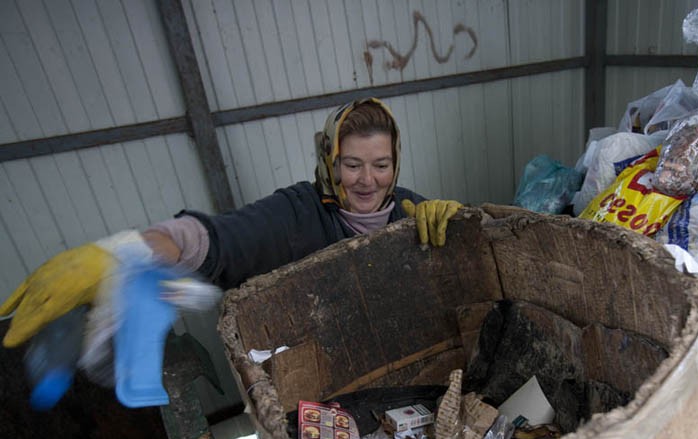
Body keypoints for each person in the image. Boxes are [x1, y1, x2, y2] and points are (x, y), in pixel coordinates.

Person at [0, 97, 462, 349]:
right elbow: (214, 239)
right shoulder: (298, 212)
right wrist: (127, 253)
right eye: (351, 164)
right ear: (329, 161)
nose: (367, 181)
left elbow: (464, 272)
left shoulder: (413, 211)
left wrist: (459, 228)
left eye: (381, 165)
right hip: (326, 371)